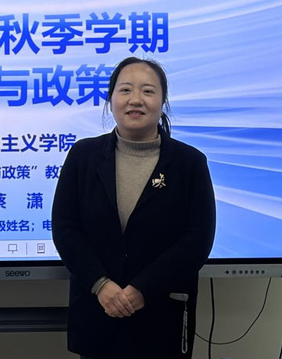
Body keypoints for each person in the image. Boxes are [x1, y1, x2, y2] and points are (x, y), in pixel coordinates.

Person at [52, 57, 216, 359]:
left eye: (148, 91)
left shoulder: (189, 163)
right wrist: (102, 285)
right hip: (98, 312)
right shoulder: (83, 156)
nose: (136, 100)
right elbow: (65, 229)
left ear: (163, 102)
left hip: (162, 315)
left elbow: (198, 240)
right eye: (125, 90)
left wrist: (142, 289)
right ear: (111, 100)